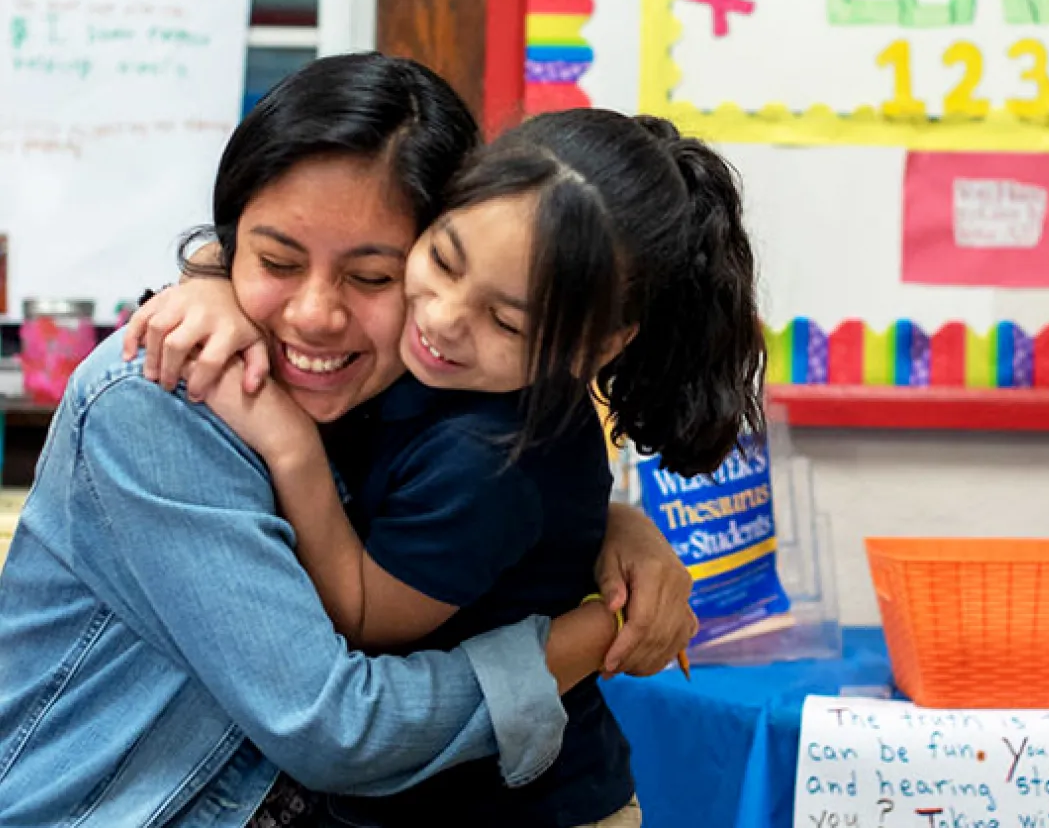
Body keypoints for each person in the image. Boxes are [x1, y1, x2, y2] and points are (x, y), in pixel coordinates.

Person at [0, 54, 695, 828]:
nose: (315, 315)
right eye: (275, 260)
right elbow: (338, 729)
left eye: (372, 277)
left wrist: (610, 531)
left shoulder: (432, 390)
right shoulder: (168, 399)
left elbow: (506, 495)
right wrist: (595, 628)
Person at [127, 108, 766, 826]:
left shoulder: (490, 457)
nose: (442, 318)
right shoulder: (432, 364)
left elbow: (363, 619)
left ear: (599, 348)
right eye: (443, 260)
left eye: (507, 322)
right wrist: (210, 278)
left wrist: (290, 448)